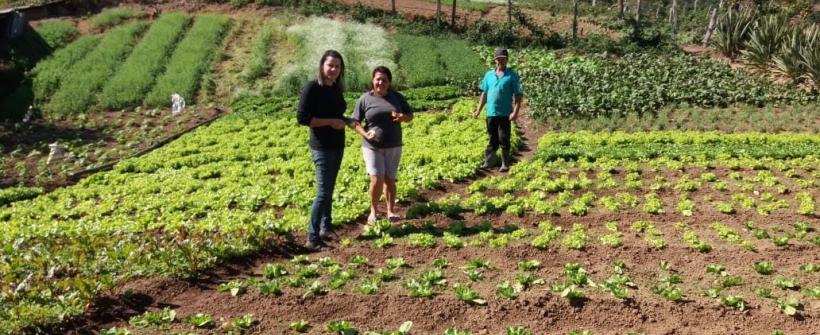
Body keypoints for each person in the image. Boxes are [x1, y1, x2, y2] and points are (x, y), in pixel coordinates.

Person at [296, 50, 371, 251]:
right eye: (330, 65)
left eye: (337, 66)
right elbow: (303, 118)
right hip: (321, 146)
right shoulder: (312, 88)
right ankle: (312, 239)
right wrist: (331, 122)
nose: (333, 69)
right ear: (322, 65)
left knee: (329, 188)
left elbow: (336, 114)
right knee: (323, 192)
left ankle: (326, 227)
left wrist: (347, 121)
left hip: (337, 144)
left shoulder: (335, 88)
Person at [350, 66, 413, 223]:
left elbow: (410, 115)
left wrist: (402, 117)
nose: (381, 83)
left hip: (393, 144)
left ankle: (390, 211)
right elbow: (354, 121)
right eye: (378, 79)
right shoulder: (365, 99)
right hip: (372, 145)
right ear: (373, 80)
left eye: (384, 80)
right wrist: (365, 133)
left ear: (389, 82)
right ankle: (374, 211)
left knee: (390, 179)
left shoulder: (397, 97)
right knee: (377, 179)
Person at [472, 47, 523, 173]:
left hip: (505, 113)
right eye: (498, 58)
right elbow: (484, 93)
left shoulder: (512, 76)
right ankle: (489, 162)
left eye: (503, 59)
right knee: (492, 138)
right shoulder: (489, 75)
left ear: (507, 60)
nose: (500, 61)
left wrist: (515, 112)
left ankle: (505, 163)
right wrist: (478, 110)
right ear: (495, 60)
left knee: (504, 138)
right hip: (491, 112)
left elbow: (518, 95)